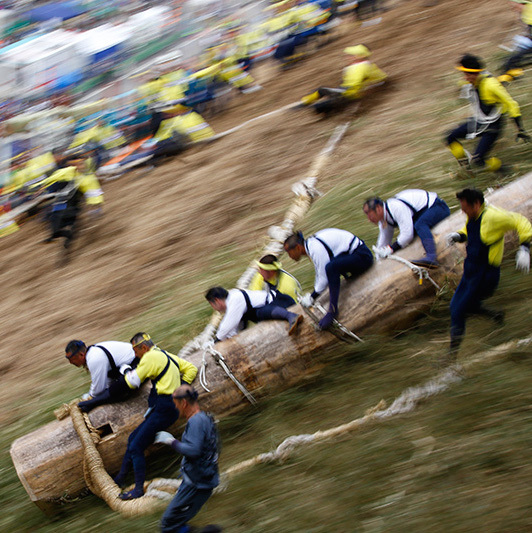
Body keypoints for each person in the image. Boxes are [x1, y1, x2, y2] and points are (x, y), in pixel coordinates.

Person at [446, 188, 531, 361]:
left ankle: (451, 358)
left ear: (476, 204)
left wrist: (524, 248)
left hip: (485, 276)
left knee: (458, 310)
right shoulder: (475, 215)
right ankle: (496, 316)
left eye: (465, 207)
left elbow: (520, 221)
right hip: (471, 272)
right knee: (460, 306)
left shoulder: (494, 217)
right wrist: (460, 235)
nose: (462, 211)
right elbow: (472, 230)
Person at [114, 333, 198, 500]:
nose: (135, 355)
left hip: (163, 409)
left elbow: (132, 382)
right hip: (170, 408)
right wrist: (180, 389)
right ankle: (120, 479)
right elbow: (191, 368)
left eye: (135, 350)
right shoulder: (164, 354)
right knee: (132, 438)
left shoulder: (150, 357)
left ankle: (138, 490)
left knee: (137, 446)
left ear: (144, 348)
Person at [445, 54, 530, 174]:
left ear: (476, 74)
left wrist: (520, 128)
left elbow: (511, 104)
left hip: (493, 126)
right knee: (450, 137)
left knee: (478, 161)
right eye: (464, 74)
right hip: (479, 121)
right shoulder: (471, 82)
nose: (465, 78)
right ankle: (465, 166)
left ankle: (506, 170)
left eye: (467, 74)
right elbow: (464, 85)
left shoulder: (491, 85)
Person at [155, 385, 221, 533]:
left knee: (168, 524)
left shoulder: (195, 422)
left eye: (176, 404)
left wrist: (171, 441)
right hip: (199, 479)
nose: (176, 408)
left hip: (198, 484)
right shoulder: (205, 417)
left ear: (183, 403)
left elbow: (194, 450)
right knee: (173, 521)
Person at [283, 228, 373, 329]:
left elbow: (324, 277)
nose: (290, 257)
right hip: (356, 256)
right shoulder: (311, 245)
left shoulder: (315, 248)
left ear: (298, 248)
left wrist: (312, 297)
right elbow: (319, 273)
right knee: (331, 266)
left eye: (289, 252)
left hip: (364, 257)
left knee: (331, 268)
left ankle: (332, 311)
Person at [363, 189, 451, 268]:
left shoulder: (395, 208)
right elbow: (383, 242)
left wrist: (391, 249)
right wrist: (379, 262)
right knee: (417, 228)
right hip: (424, 213)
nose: (369, 219)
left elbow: (407, 235)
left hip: (439, 207)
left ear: (378, 208)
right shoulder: (384, 220)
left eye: (369, 213)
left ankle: (432, 257)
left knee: (420, 225)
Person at [299, 45, 387, 114]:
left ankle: (307, 103)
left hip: (350, 93)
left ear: (359, 57)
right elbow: (381, 76)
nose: (348, 57)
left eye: (351, 55)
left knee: (321, 92)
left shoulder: (362, 67)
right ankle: (319, 106)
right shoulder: (362, 66)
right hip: (348, 91)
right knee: (322, 101)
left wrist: (377, 84)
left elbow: (355, 83)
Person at [205, 286, 302, 341]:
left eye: (211, 304)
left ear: (217, 301)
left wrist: (216, 340)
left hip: (281, 302)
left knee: (259, 313)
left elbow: (226, 326)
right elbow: (233, 327)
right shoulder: (232, 300)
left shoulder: (234, 299)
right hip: (277, 304)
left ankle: (291, 316)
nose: (214, 308)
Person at [65, 340, 136, 412]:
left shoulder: (94, 358)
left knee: (113, 393)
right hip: (125, 366)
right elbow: (107, 379)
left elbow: (98, 390)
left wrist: (89, 398)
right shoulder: (93, 352)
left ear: (81, 354)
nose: (70, 362)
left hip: (135, 363)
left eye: (71, 359)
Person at [500, 0, 532, 80]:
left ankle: (509, 75)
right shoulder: (525, 13)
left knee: (513, 59)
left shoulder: (529, 11)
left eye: (514, 6)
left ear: (520, 3)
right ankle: (514, 73)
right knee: (516, 56)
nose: (512, 8)